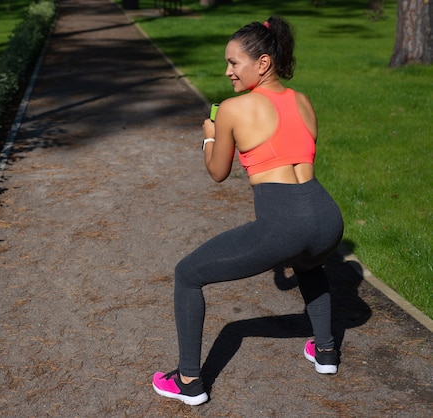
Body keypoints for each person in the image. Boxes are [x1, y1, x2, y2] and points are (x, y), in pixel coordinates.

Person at [152, 16, 344, 406]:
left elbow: (218, 172)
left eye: (234, 63)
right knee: (308, 264)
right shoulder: (302, 101)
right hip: (326, 216)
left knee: (187, 275)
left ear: (262, 64)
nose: (227, 72)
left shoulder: (236, 110)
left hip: (285, 221)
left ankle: (189, 381)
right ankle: (325, 352)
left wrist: (209, 136)